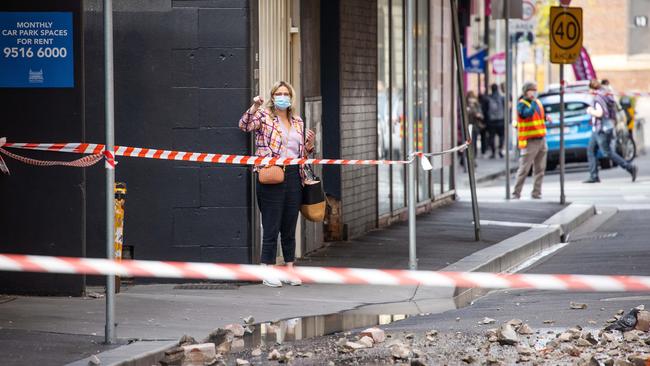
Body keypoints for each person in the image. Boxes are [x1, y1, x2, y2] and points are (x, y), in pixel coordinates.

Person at [239, 81, 316, 287]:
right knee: (271, 224)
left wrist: (310, 145)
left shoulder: (298, 121)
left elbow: (303, 153)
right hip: (272, 174)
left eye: (286, 93)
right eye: (278, 93)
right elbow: (244, 125)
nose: (282, 97)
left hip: (294, 176)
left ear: (291, 97)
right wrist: (255, 106)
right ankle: (268, 269)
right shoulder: (264, 117)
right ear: (273, 97)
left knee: (289, 225)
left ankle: (290, 268)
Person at [583, 79, 637, 183]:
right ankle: (594, 176)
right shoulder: (605, 95)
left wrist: (590, 111)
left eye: (589, 89)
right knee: (591, 150)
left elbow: (600, 113)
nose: (588, 92)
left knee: (607, 152)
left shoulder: (598, 98)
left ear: (592, 89)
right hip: (600, 128)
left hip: (601, 129)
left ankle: (630, 168)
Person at [512, 82, 550, 199]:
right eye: (531, 90)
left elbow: (539, 116)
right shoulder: (522, 104)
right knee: (524, 169)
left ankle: (536, 193)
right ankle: (516, 193)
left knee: (540, 169)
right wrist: (533, 103)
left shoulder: (538, 103)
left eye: (535, 90)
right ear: (525, 92)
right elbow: (526, 115)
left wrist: (546, 118)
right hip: (530, 142)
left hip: (541, 139)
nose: (533, 92)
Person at [486, 84, 505, 159]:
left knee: (491, 137)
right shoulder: (502, 97)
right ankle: (500, 150)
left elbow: (486, 110)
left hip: (492, 121)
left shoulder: (489, 98)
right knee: (501, 136)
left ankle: (493, 152)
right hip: (500, 120)